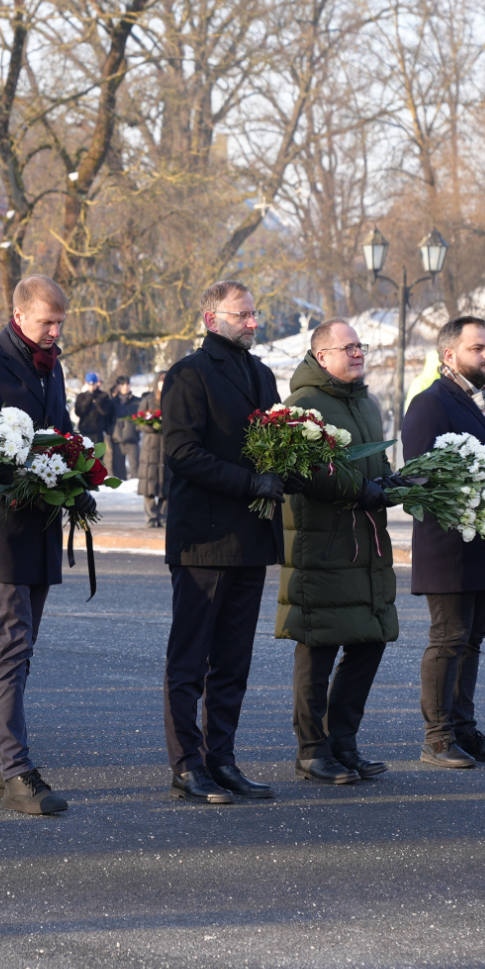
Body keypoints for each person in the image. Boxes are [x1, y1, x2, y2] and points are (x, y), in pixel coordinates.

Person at [0, 274, 81, 815]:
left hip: (41, 526)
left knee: (19, 655)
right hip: (0, 527)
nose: (54, 332)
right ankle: (17, 771)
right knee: (10, 648)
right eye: (47, 322)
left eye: (60, 323)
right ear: (19, 314)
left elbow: (62, 429)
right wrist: (7, 477)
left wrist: (77, 464)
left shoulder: (52, 365)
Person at [159, 280, 292, 804]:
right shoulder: (189, 374)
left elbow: (280, 442)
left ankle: (223, 758)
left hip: (252, 538)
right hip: (204, 540)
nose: (254, 323)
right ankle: (187, 764)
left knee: (234, 659)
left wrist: (293, 467)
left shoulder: (261, 374)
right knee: (191, 658)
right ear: (212, 320)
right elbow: (182, 454)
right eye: (243, 315)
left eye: (255, 314)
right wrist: (250, 482)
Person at [276, 320, 409, 785]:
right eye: (347, 347)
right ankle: (312, 750)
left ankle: (344, 741)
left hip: (366, 543)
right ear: (321, 356)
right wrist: (364, 490)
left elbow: (374, 463)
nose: (358, 353)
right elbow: (307, 473)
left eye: (360, 346)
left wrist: (392, 483)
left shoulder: (367, 403)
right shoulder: (302, 405)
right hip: (322, 541)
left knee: (370, 639)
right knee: (319, 644)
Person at [401, 316, 485, 769]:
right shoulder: (429, 405)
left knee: (472, 641)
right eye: (478, 348)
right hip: (450, 547)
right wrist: (484, 502)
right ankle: (436, 739)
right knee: (448, 639)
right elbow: (419, 477)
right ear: (449, 354)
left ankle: (462, 729)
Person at [136, 378, 167, 527]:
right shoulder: (148, 400)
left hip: (166, 445)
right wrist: (152, 426)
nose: (163, 384)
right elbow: (139, 421)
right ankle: (151, 517)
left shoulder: (172, 398)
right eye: (161, 381)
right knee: (149, 483)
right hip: (150, 446)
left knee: (165, 483)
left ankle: (163, 516)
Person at [74, 373, 114, 464]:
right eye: (90, 384)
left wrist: (98, 402)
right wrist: (89, 399)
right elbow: (79, 412)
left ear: (98, 383)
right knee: (83, 459)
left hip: (97, 432)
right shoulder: (82, 396)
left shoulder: (103, 396)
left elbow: (105, 412)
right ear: (86, 383)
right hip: (84, 432)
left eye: (94, 384)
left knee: (97, 460)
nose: (92, 387)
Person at [108, 376, 140, 481]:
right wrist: (110, 431)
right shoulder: (111, 402)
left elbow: (141, 418)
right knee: (118, 470)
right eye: (122, 385)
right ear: (117, 386)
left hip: (132, 438)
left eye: (127, 384)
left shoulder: (137, 401)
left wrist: (137, 428)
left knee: (136, 468)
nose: (125, 387)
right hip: (117, 439)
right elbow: (107, 419)